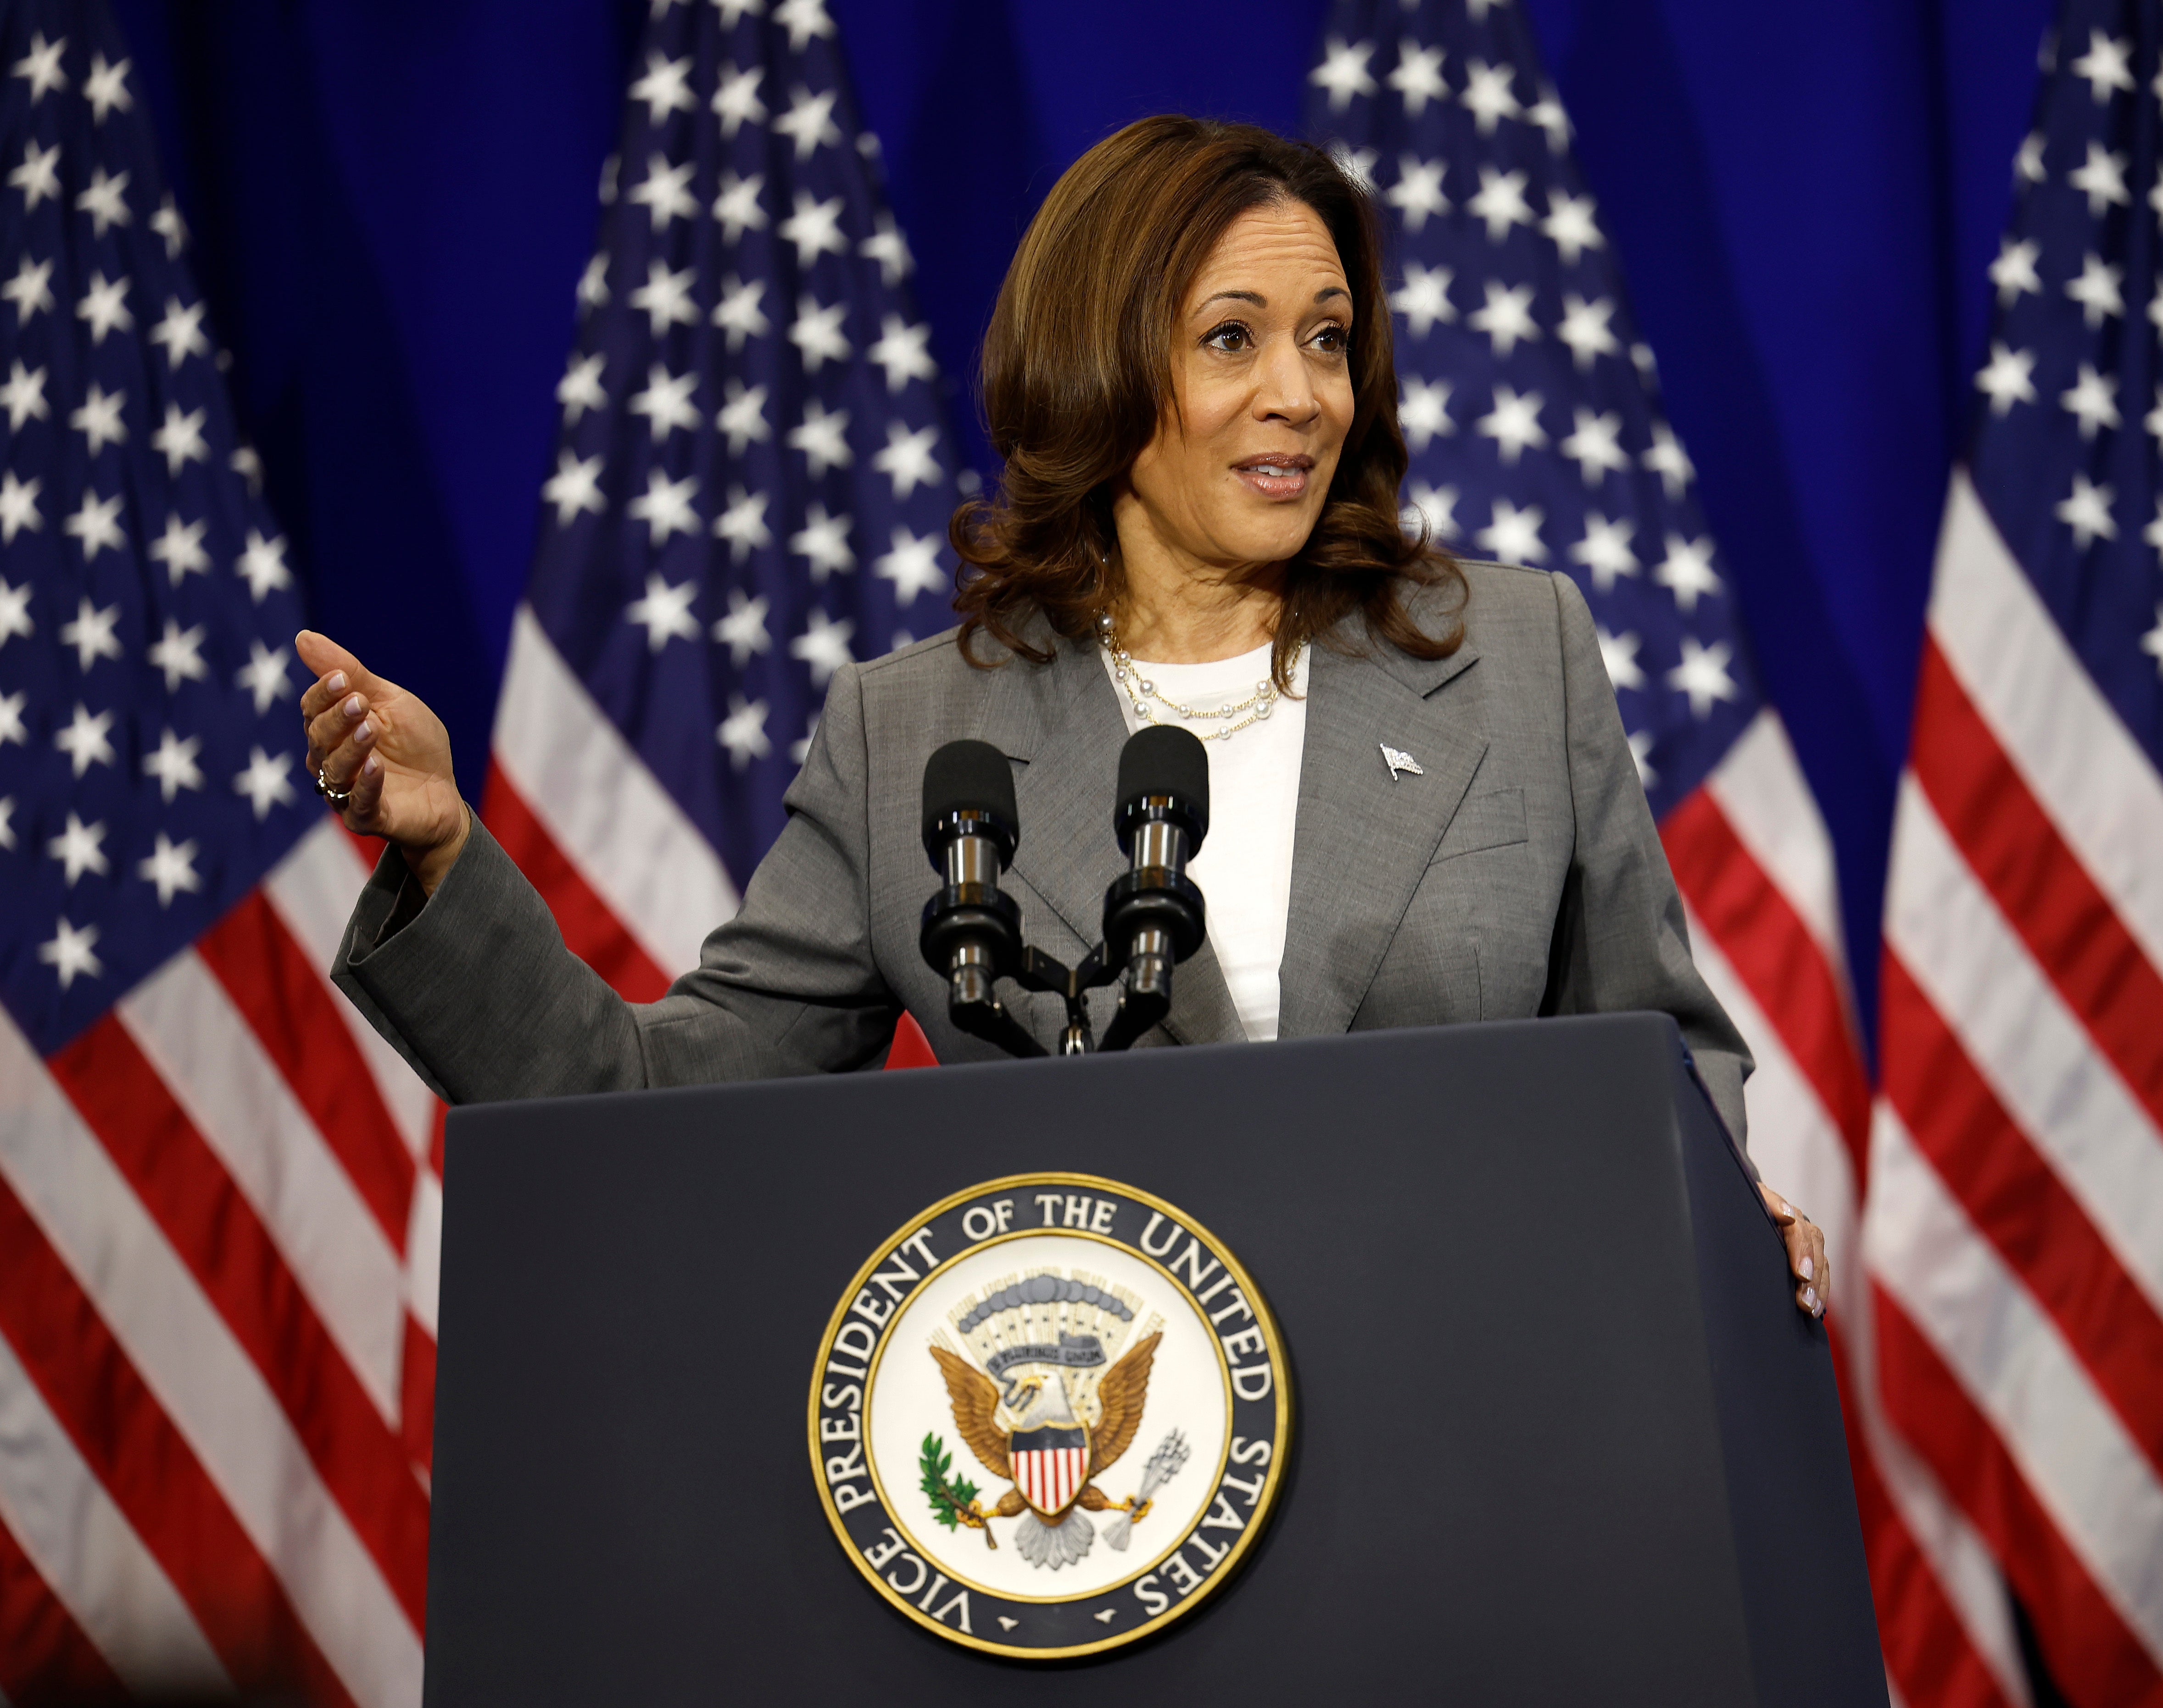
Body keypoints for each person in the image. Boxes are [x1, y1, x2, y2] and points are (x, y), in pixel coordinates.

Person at [297, 116, 1830, 1318]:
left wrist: (1710, 1203)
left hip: (1483, 1423)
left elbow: (1660, 1051)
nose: (1301, 392)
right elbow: (653, 1111)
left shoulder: (1514, 651)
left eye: (1327, 335)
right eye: (1233, 337)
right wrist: (443, 857)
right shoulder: (913, 737)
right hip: (1106, 1485)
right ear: (1099, 363)